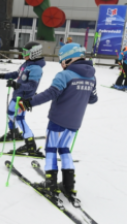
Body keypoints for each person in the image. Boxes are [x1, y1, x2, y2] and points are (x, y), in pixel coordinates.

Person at [19, 43, 97, 207]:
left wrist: (29, 102)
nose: (61, 64)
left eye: (62, 60)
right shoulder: (92, 76)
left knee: (51, 150)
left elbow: (51, 93)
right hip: (75, 123)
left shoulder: (65, 75)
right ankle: (69, 187)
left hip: (57, 120)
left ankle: (51, 186)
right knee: (65, 149)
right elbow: (92, 99)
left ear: (69, 59)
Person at [0, 41, 46, 155]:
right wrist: (2, 75)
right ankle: (14, 133)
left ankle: (30, 143)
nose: (24, 54)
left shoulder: (36, 68)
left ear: (34, 53)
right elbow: (16, 74)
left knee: (19, 118)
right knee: (10, 113)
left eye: (26, 52)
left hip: (25, 99)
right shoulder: (26, 64)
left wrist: (18, 85)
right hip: (17, 95)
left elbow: (32, 85)